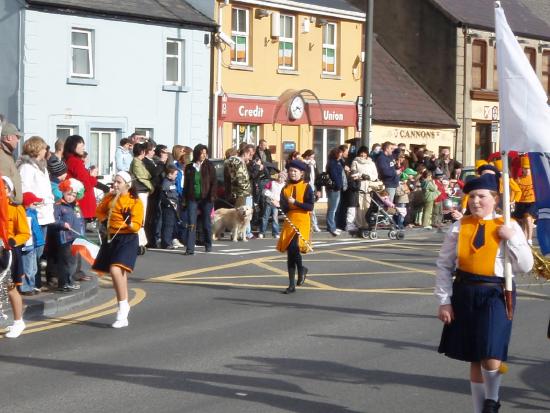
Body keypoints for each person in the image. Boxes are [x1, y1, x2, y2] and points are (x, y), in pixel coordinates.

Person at [435, 173, 533, 413]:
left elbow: (525, 266)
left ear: (495, 199)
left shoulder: (508, 225)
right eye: (472, 196)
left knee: (491, 349)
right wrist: (444, 301)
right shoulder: (459, 226)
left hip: (496, 292)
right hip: (465, 291)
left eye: (482, 196)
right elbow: (444, 265)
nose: (476, 201)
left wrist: (513, 241)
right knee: (474, 355)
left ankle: (492, 398)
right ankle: (480, 409)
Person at [93, 171, 143, 328]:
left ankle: (122, 307)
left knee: (116, 270)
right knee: (119, 272)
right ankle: (124, 304)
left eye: (118, 182)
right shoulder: (109, 197)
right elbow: (99, 211)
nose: (115, 184)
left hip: (127, 238)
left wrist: (129, 222)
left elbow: (137, 225)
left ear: (127, 184)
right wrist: (104, 219)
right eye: (114, 181)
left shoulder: (135, 201)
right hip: (111, 237)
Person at [17, 136, 56, 290]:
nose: (46, 150)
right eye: (44, 148)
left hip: (45, 214)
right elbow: (24, 189)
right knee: (30, 251)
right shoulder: (26, 167)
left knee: (38, 251)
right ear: (37, 148)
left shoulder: (42, 167)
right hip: (34, 213)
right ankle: (27, 285)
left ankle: (34, 281)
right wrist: (36, 200)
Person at [276, 160, 313, 294]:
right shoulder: (285, 189)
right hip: (290, 220)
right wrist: (278, 205)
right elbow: (285, 209)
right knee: (290, 252)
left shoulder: (306, 186)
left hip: (302, 219)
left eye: (295, 171)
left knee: (295, 247)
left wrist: (296, 202)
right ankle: (292, 284)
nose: (292, 173)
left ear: (301, 173)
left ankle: (302, 270)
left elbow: (310, 206)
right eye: (291, 171)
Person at [2, 176, 31, 338]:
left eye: (4, 188)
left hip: (9, 252)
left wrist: (13, 240)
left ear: (9, 191)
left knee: (10, 287)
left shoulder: (15, 208)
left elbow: (25, 233)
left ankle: (19, 321)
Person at [52, 178, 85, 292]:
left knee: (73, 261)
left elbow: (81, 221)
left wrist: (82, 233)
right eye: (68, 194)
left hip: (75, 238)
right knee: (64, 261)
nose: (71, 197)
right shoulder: (58, 205)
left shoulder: (76, 206)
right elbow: (54, 220)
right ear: (63, 192)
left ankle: (70, 281)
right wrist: (62, 224)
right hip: (64, 238)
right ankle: (63, 283)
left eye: (73, 195)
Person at [183, 144, 217, 255]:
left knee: (206, 222)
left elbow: (214, 182)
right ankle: (189, 248)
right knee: (191, 223)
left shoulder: (209, 165)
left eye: (205, 153)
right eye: (201, 153)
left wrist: (212, 196)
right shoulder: (189, 167)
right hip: (193, 198)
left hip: (207, 199)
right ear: (197, 153)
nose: (203, 155)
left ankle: (208, 244)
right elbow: (186, 184)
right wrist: (184, 199)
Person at [63, 135, 98, 221]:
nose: (83, 148)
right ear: (73, 146)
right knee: (79, 230)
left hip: (77, 201)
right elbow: (87, 185)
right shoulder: (75, 162)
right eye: (81, 145)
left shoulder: (69, 160)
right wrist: (93, 176)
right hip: (81, 203)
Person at [20, 192, 46, 296]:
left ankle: (30, 286)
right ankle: (26, 288)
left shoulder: (31, 212)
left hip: (34, 243)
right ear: (28, 203)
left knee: (34, 268)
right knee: (28, 268)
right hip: (27, 245)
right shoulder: (25, 214)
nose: (36, 204)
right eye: (34, 203)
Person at [129, 142, 153, 250]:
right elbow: (142, 176)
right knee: (140, 216)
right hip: (140, 191)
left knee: (141, 216)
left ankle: (142, 241)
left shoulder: (138, 162)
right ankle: (139, 241)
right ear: (142, 151)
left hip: (141, 191)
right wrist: (151, 187)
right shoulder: (136, 162)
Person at [351, 146, 380, 230]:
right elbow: (353, 174)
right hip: (359, 186)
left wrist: (369, 177)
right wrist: (361, 176)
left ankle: (366, 223)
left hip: (369, 187)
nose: (363, 154)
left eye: (365, 153)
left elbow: (375, 175)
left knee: (367, 206)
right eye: (361, 153)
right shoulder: (355, 162)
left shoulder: (371, 163)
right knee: (359, 207)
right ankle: (359, 224)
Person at [513, 156, 536, 246]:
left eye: (528, 169)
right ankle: (524, 240)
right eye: (525, 169)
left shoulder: (535, 179)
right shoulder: (518, 179)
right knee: (523, 222)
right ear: (522, 169)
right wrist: (512, 200)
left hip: (532, 201)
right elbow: (515, 191)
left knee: (528, 218)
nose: (526, 171)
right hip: (520, 202)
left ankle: (529, 239)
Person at [0, 123, 23, 204]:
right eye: (17, 137)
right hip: (7, 206)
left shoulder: (8, 155)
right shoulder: (2, 156)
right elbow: (3, 186)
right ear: (9, 137)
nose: (17, 140)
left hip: (11, 206)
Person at [159, 165, 181, 249]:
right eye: (175, 174)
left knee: (171, 224)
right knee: (168, 224)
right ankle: (166, 243)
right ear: (169, 174)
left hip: (174, 205)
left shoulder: (172, 182)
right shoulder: (166, 183)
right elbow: (163, 195)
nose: (176, 176)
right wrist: (168, 203)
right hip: (168, 206)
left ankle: (168, 241)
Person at [260, 171, 286, 239]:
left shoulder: (285, 185)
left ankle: (275, 233)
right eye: (279, 177)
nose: (280, 179)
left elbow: (284, 195)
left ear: (284, 179)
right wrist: (271, 196)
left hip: (277, 204)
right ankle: (262, 232)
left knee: (275, 218)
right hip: (269, 202)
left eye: (282, 178)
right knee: (265, 217)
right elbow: (264, 191)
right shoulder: (272, 183)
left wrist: (280, 202)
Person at [326, 147, 344, 236]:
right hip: (334, 188)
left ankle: (333, 226)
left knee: (334, 209)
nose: (341, 155)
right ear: (336, 154)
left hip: (337, 188)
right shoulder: (332, 163)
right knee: (332, 209)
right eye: (340, 153)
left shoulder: (338, 162)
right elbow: (334, 175)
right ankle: (331, 227)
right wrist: (339, 185)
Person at [302, 150, 321, 232]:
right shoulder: (303, 165)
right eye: (311, 157)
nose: (313, 159)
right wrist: (308, 165)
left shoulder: (314, 165)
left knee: (312, 208)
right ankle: (309, 225)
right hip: (305, 188)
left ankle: (314, 225)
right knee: (306, 208)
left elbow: (317, 178)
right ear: (307, 157)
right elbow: (305, 177)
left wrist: (319, 190)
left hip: (312, 188)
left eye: (314, 157)